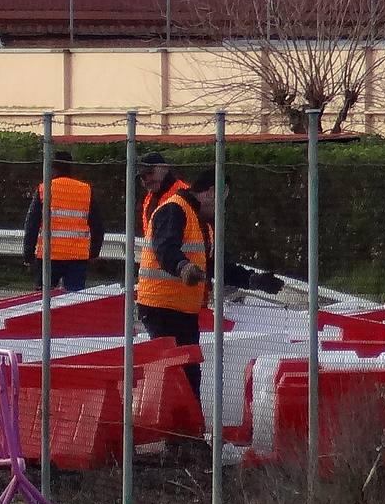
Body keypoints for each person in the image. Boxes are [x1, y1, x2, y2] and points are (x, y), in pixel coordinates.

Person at [137, 170, 283, 399]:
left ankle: (184, 430)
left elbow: (215, 266)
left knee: (188, 372)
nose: (221, 208)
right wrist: (183, 267)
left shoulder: (201, 223)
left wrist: (253, 280)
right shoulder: (173, 210)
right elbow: (165, 249)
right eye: (221, 199)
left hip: (181, 309)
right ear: (211, 192)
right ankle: (179, 429)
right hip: (161, 307)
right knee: (179, 373)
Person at [23, 150, 103, 292]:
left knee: (42, 302)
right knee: (73, 302)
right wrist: (93, 253)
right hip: (77, 257)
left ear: (52, 167)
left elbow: (32, 224)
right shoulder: (85, 190)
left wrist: (28, 256)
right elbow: (98, 226)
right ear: (71, 167)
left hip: (48, 256)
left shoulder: (44, 189)